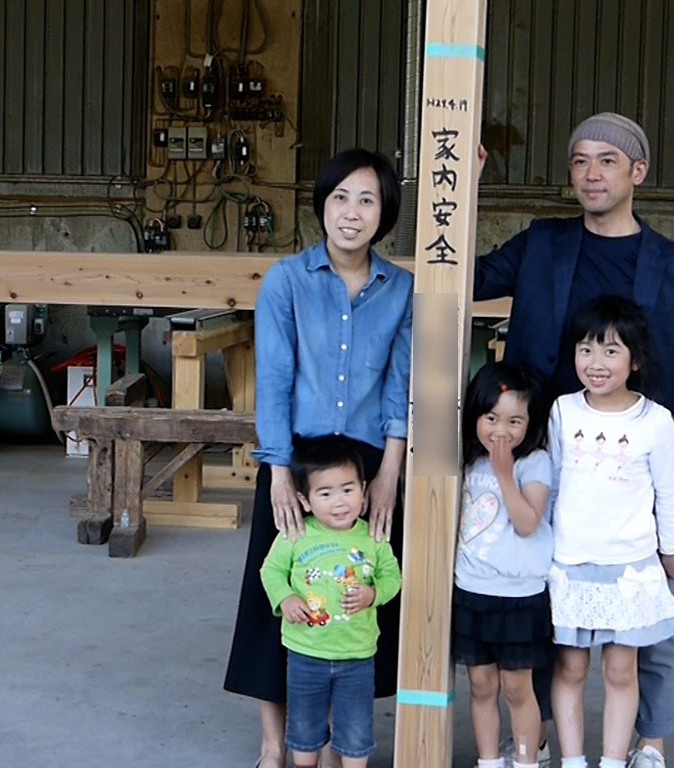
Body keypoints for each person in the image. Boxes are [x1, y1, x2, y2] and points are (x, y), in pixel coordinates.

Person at [475, 112, 674, 768]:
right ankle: (542, 731)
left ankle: (651, 740)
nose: (591, 173)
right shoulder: (542, 244)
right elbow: (459, 277)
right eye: (579, 160)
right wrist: (460, 187)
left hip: (637, 474)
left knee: (648, 618)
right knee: (541, 606)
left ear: (638, 172)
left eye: (607, 160)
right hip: (546, 465)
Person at [224, 148, 412, 768]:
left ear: (384, 214)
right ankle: (275, 745)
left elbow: (398, 385)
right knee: (277, 594)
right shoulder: (286, 280)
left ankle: (332, 742)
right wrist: (279, 472)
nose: (350, 214)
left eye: (367, 200)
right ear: (321, 205)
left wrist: (389, 474)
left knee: (351, 593)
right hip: (297, 463)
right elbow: (274, 379)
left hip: (363, 468)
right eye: (339, 198)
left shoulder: (401, 288)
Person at [547, 295, 674, 768]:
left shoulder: (655, 421)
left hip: (629, 565)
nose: (596, 362)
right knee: (569, 667)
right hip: (569, 561)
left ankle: (611, 759)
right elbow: (549, 484)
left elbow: (668, 492)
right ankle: (572, 760)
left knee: (621, 668)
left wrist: (673, 548)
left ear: (635, 359)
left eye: (611, 351)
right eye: (586, 349)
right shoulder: (563, 411)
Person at [259, 436, 402, 768]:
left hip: (358, 658)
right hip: (305, 655)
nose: (339, 502)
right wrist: (286, 597)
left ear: (364, 491)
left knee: (355, 738)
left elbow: (393, 577)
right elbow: (271, 571)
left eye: (348, 490)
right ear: (304, 501)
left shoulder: (373, 538)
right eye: (325, 493)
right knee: (304, 736)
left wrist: (374, 594)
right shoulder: (296, 535)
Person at [453, 362, 554, 768]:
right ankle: (489, 760)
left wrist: (504, 474)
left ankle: (527, 761)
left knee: (517, 687)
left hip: (518, 596)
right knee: (480, 684)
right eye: (491, 418)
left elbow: (528, 523)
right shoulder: (466, 462)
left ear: (531, 423)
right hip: (471, 591)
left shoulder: (535, 463)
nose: (501, 430)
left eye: (515, 421)